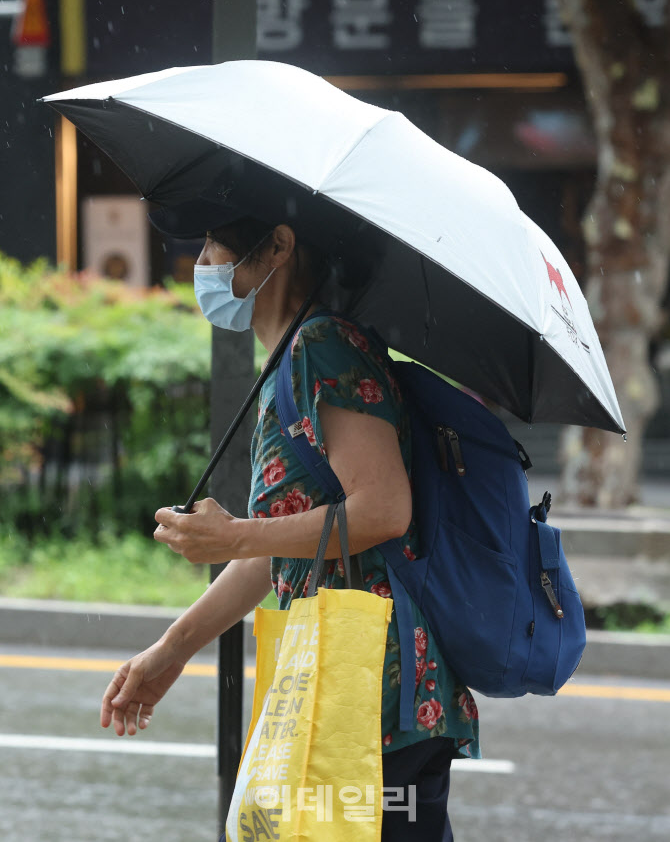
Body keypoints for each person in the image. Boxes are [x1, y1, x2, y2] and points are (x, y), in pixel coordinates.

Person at [100, 212, 480, 841]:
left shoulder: (321, 346)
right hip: (343, 686)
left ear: (278, 244)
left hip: (377, 693)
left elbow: (384, 509)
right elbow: (286, 545)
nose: (202, 267)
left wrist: (235, 535)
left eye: (211, 245)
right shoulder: (293, 356)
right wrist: (172, 650)